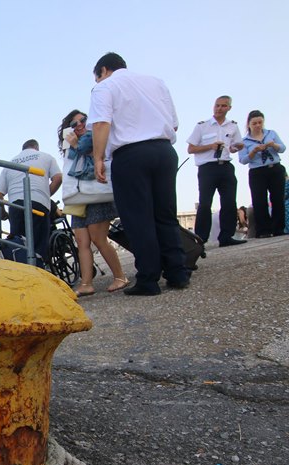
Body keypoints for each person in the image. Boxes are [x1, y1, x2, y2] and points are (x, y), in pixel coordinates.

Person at [89, 52, 189, 296]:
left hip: (130, 155)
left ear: (103, 70)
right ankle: (177, 272)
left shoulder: (104, 88)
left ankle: (148, 278)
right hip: (164, 150)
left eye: (97, 77)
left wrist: (98, 157)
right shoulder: (155, 82)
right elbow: (174, 124)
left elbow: (101, 123)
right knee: (165, 214)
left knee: (138, 218)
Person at [57, 110, 128, 296]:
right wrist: (71, 145)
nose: (79, 124)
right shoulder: (69, 145)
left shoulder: (95, 134)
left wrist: (75, 144)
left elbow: (92, 151)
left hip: (96, 194)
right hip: (79, 196)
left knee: (98, 238)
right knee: (82, 241)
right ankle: (86, 283)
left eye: (83, 120)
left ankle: (120, 276)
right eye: (74, 123)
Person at [186, 96, 246, 247]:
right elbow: (191, 148)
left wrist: (236, 147)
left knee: (229, 202)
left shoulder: (232, 126)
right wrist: (210, 146)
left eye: (223, 106)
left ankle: (226, 236)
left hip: (225, 166)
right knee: (205, 203)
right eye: (217, 105)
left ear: (229, 108)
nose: (219, 108)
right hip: (208, 167)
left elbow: (237, 145)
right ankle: (200, 238)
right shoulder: (202, 126)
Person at [0, 139, 62, 266]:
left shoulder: (10, 164)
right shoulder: (46, 157)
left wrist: (2, 212)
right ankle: (40, 271)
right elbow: (58, 178)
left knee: (19, 244)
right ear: (36, 147)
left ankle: (24, 273)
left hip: (16, 206)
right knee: (38, 246)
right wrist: (47, 195)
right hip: (38, 203)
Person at [238, 110, 286, 238]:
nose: (258, 125)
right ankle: (263, 230)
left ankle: (278, 228)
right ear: (249, 124)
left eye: (260, 122)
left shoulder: (271, 133)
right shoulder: (244, 141)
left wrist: (273, 145)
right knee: (259, 201)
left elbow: (282, 148)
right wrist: (253, 152)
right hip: (257, 171)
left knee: (277, 198)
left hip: (275, 168)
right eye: (254, 123)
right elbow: (242, 160)